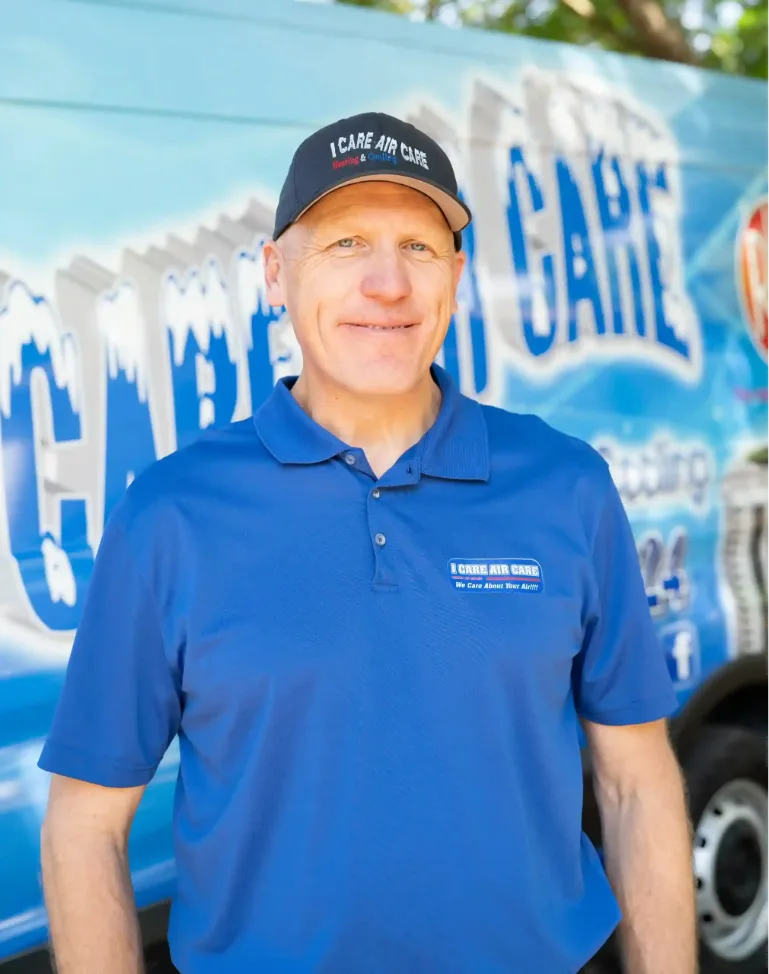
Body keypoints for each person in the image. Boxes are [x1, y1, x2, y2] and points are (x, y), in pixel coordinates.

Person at [38, 112, 696, 974]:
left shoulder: (565, 484)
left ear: (455, 277)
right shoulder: (171, 513)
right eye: (346, 243)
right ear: (277, 273)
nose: (386, 284)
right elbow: (85, 826)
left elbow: (634, 779)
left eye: (418, 248)